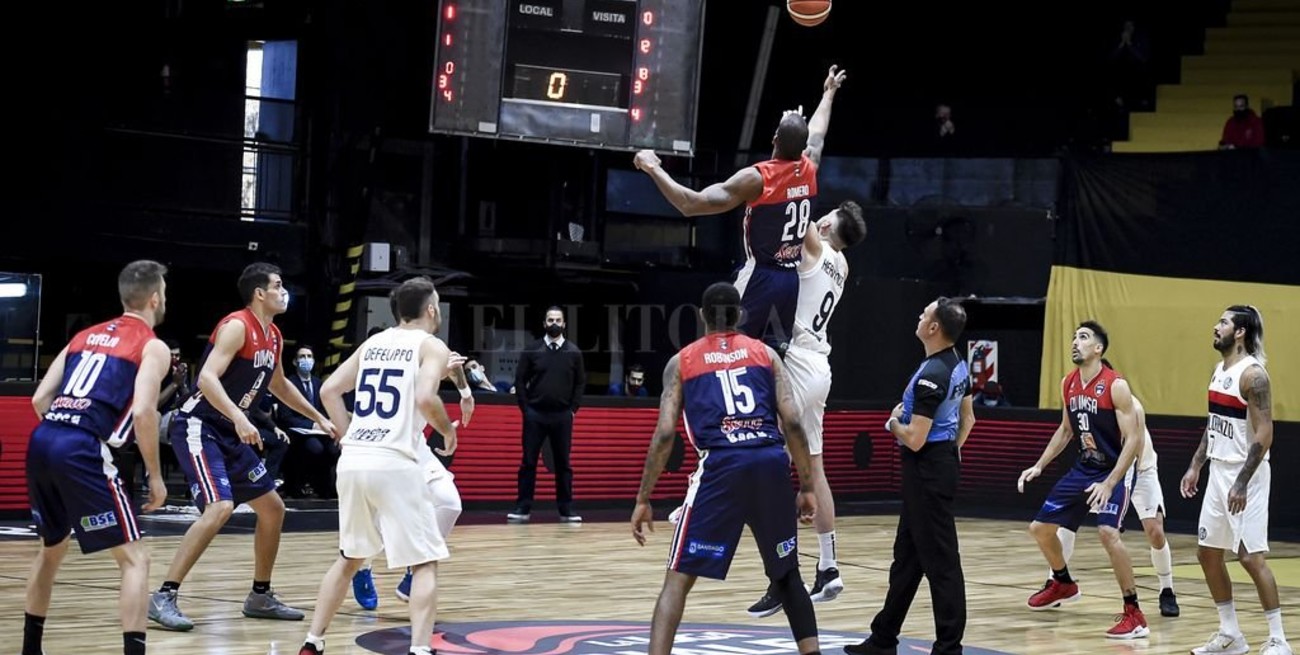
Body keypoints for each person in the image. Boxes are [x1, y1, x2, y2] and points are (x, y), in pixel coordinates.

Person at [631, 282, 820, 655]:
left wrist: (643, 498)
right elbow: (794, 423)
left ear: (702, 316)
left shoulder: (682, 362)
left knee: (678, 580)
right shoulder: (766, 354)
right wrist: (807, 486)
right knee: (787, 574)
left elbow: (665, 434)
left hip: (721, 466)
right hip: (770, 463)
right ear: (740, 315)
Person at [149, 262, 338, 631]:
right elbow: (206, 378)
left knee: (273, 508)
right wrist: (239, 416)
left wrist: (318, 416)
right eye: (278, 285)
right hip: (199, 425)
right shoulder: (237, 325)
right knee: (220, 507)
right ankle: (164, 595)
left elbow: (279, 386)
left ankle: (260, 596)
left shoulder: (274, 335)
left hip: (229, 430)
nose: (284, 292)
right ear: (259, 293)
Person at [633, 65, 847, 352]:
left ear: (774, 139)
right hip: (789, 282)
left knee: (723, 348)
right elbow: (818, 134)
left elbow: (689, 204)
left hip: (761, 275)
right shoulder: (810, 167)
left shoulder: (758, 178)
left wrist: (653, 167)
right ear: (801, 148)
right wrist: (829, 94)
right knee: (770, 359)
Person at [297, 277, 460, 655]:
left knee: (348, 558)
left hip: (354, 460)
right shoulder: (431, 345)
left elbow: (328, 391)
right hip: (394, 462)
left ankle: (312, 642)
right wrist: (447, 430)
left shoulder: (372, 343)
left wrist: (348, 435)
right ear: (431, 309)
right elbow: (425, 398)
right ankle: (420, 649)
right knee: (424, 563)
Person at [22, 260, 172, 655]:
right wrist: (155, 477)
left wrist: (63, 431)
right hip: (82, 447)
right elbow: (144, 412)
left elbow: (39, 398)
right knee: (136, 559)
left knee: (52, 549)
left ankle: (30, 649)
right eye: (164, 292)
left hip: (44, 438)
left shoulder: (83, 336)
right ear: (154, 299)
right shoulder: (152, 346)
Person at [745, 200, 867, 618]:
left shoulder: (816, 247)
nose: (819, 219)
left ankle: (782, 577)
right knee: (814, 467)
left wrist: (794, 176)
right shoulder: (843, 265)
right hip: (820, 366)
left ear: (828, 226)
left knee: (770, 463)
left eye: (825, 217)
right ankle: (829, 567)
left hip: (796, 360)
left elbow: (797, 206)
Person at [845, 297, 973, 655]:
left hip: (927, 469)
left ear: (933, 328)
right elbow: (969, 419)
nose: (918, 316)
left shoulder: (932, 376)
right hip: (937, 465)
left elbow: (915, 438)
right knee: (907, 559)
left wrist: (892, 423)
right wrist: (950, 451)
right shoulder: (957, 364)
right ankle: (883, 638)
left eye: (924, 314)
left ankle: (949, 648)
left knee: (942, 564)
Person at [1017, 321, 1148, 639]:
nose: (1075, 342)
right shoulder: (1068, 383)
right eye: (1074, 337)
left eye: (1084, 337)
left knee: (1107, 533)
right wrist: (1039, 465)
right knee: (1040, 528)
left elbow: (1133, 440)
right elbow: (1065, 431)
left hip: (1113, 470)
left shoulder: (1115, 385)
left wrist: (1110, 483)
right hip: (1084, 467)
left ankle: (1134, 614)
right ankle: (1063, 583)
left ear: (1098, 348)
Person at [1182, 306, 1290, 655]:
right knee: (1207, 553)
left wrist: (1242, 482)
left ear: (1240, 332)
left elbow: (1264, 433)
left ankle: (1279, 639)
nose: (1216, 327)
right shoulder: (1219, 370)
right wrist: (1196, 465)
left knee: (1250, 557)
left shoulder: (1253, 375)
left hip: (1247, 475)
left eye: (1224, 322)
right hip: (1218, 470)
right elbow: (1214, 423)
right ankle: (1231, 635)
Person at [1048, 362, 1180, 619]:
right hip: (1106, 471)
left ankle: (1167, 589)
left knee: (1155, 530)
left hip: (1139, 470)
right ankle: (1055, 580)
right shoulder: (1087, 407)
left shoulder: (1131, 407)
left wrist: (1116, 499)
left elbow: (1131, 457)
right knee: (1068, 521)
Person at [508, 306, 586, 523]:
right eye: (550, 320)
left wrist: (573, 409)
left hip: (562, 415)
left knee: (563, 464)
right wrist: (526, 409)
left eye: (558, 320)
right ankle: (523, 507)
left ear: (564, 324)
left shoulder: (574, 352)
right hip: (535, 414)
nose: (554, 324)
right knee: (528, 462)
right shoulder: (532, 350)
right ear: (544, 323)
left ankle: (566, 509)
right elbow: (520, 380)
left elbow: (580, 383)